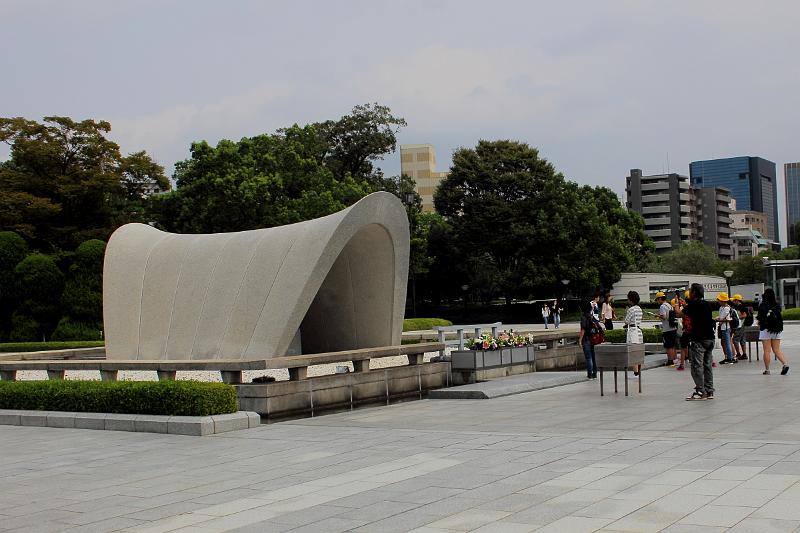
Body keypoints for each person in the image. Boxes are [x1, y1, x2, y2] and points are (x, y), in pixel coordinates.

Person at [675, 283, 715, 400]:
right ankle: (709, 390)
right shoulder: (706, 304)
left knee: (697, 366)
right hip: (710, 338)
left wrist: (677, 303)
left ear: (693, 293)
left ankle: (700, 391)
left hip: (699, 340)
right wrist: (686, 304)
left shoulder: (693, 305)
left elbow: (679, 313)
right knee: (707, 365)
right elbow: (694, 311)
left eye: (691, 291)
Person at [756, 288, 790, 376]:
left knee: (767, 350)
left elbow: (759, 318)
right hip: (776, 330)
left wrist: (760, 322)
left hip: (766, 329)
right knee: (777, 350)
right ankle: (785, 364)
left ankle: (767, 370)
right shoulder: (777, 305)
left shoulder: (763, 305)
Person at [578, 300, 599, 379]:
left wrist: (580, 340)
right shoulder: (592, 316)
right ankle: (595, 373)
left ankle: (589, 374)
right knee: (593, 357)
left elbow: (583, 329)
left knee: (588, 357)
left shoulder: (584, 317)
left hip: (586, 339)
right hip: (593, 339)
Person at [656, 291, 677, 366]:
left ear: (660, 299)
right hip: (673, 327)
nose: (657, 301)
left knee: (668, 346)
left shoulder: (662, 306)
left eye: (657, 299)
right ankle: (674, 359)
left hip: (667, 329)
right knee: (672, 345)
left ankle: (670, 361)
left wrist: (657, 316)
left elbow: (664, 317)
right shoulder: (669, 305)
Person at [716, 293, 736, 365]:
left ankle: (730, 358)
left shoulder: (727, 308)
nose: (718, 301)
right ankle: (728, 357)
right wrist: (719, 319)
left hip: (726, 328)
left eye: (719, 300)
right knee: (725, 343)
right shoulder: (721, 308)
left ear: (723, 300)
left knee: (727, 343)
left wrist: (719, 320)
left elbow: (728, 319)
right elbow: (722, 317)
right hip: (723, 327)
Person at [730, 294, 750, 361]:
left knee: (735, 340)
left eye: (734, 300)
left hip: (740, 325)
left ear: (737, 300)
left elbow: (744, 315)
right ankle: (744, 354)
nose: (733, 301)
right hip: (743, 325)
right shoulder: (741, 306)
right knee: (742, 339)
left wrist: (736, 319)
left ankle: (738, 354)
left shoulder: (740, 306)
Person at [675, 290, 691, 371]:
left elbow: (678, 313)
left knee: (683, 346)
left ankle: (682, 364)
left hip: (688, 330)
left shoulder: (688, 307)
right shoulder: (694, 305)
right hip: (694, 330)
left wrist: (677, 303)